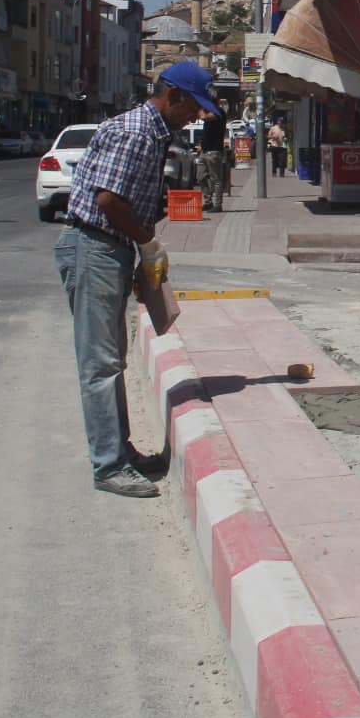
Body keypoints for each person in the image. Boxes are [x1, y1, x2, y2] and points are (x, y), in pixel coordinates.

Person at [55, 61, 220, 498]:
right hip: (94, 246)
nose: (196, 117)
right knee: (101, 363)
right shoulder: (136, 132)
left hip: (108, 248)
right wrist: (147, 242)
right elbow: (108, 200)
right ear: (173, 95)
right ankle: (108, 465)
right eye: (193, 107)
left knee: (113, 359)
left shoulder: (152, 131)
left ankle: (120, 452)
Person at [198, 106, 229, 213]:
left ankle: (218, 204)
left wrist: (199, 106)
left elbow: (203, 117)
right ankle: (207, 202)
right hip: (204, 151)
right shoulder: (209, 111)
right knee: (200, 177)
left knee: (216, 179)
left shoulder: (218, 112)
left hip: (214, 152)